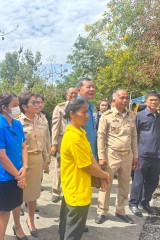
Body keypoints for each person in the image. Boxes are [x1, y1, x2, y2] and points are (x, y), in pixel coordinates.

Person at [60, 99, 110, 240]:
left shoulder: (80, 133)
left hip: (76, 188)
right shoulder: (73, 137)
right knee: (73, 232)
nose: (87, 115)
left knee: (67, 227)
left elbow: (90, 157)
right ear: (72, 114)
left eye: (87, 111)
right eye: (83, 112)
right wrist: (105, 175)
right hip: (76, 191)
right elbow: (86, 166)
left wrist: (100, 176)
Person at [95, 90, 139, 225]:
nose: (125, 100)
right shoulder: (107, 116)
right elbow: (101, 137)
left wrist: (135, 156)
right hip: (111, 155)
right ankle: (102, 211)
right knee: (106, 183)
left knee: (125, 185)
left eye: (126, 98)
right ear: (114, 100)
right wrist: (101, 157)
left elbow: (134, 137)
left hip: (127, 156)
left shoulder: (131, 116)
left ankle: (120, 211)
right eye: (122, 98)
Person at [0, 93, 28, 240]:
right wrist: (19, 176)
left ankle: (17, 227)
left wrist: (25, 167)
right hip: (4, 177)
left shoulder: (17, 124)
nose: (18, 108)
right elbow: (1, 157)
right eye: (15, 105)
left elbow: (24, 146)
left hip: (18, 173)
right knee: (3, 213)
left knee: (17, 205)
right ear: (4, 107)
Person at [18, 92, 49, 238]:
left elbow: (46, 141)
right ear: (24, 106)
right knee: (19, 194)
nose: (38, 105)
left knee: (34, 194)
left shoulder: (42, 120)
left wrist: (46, 159)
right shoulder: (18, 122)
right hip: (22, 162)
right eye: (34, 103)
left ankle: (30, 220)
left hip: (37, 161)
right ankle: (16, 224)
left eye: (38, 102)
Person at [129, 91, 160, 216]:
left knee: (153, 181)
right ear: (146, 102)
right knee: (138, 181)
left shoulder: (159, 117)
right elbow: (133, 136)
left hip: (157, 156)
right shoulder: (139, 116)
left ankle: (145, 202)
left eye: (156, 100)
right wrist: (134, 154)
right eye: (151, 100)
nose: (154, 102)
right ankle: (133, 203)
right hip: (142, 155)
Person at [51, 86, 78, 203]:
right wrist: (54, 144)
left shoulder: (80, 107)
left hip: (76, 140)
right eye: (71, 93)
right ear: (67, 95)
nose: (74, 95)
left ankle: (70, 192)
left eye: (76, 93)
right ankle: (56, 192)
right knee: (59, 166)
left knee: (75, 166)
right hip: (62, 139)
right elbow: (55, 126)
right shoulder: (60, 107)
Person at [76, 77, 97, 159]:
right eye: (88, 87)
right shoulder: (76, 105)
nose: (92, 89)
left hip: (91, 152)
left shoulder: (90, 106)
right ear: (78, 90)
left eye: (93, 87)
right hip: (82, 154)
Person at [35, 94, 51, 174]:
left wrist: (48, 155)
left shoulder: (44, 117)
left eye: (41, 102)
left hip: (43, 152)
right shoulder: (26, 118)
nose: (40, 105)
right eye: (37, 102)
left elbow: (47, 138)